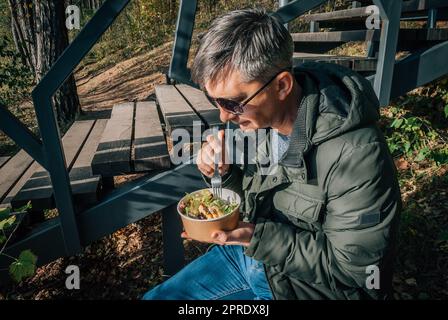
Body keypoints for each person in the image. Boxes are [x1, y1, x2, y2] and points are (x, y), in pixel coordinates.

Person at [142, 8, 401, 300]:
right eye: (214, 101)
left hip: (304, 289)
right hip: (254, 259)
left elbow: (352, 272)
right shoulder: (261, 124)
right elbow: (257, 203)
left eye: (233, 103)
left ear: (282, 85)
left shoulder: (357, 156)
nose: (224, 116)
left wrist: (255, 236)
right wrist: (225, 175)